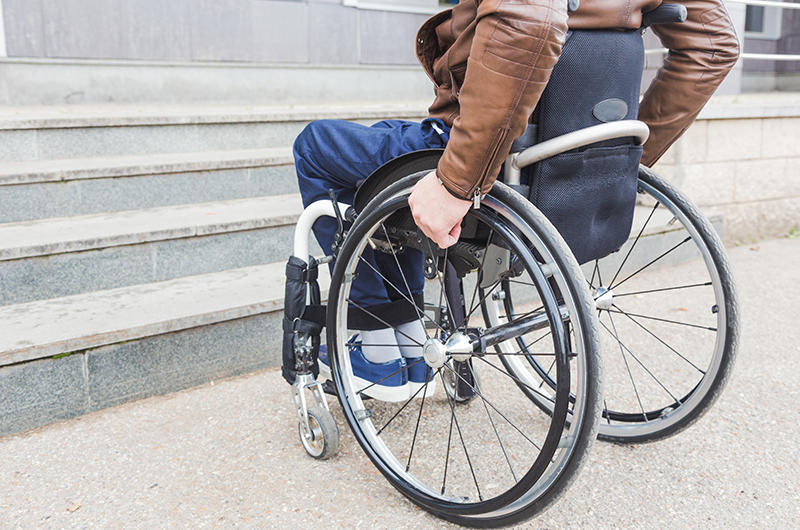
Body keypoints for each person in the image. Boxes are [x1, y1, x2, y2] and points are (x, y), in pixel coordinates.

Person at [294, 0, 739, 399]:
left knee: (315, 146)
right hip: (557, 155)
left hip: (485, 150)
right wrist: (615, 157)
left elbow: (531, 18)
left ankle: (377, 346)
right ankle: (404, 332)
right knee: (388, 153)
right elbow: (714, 45)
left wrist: (455, 182)